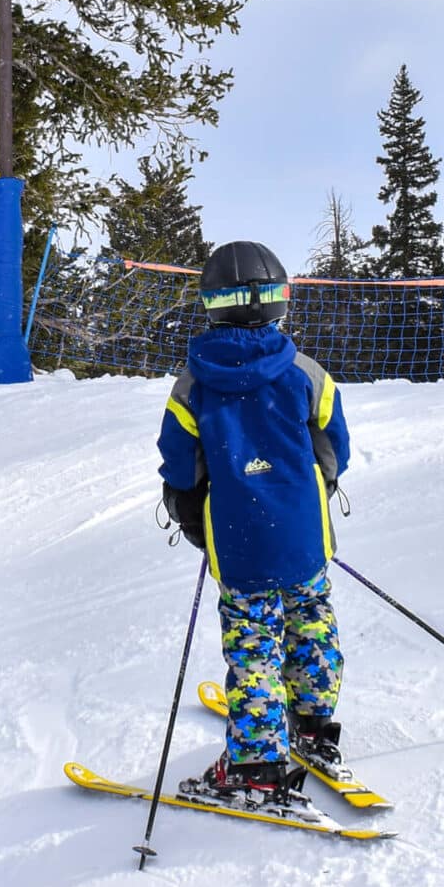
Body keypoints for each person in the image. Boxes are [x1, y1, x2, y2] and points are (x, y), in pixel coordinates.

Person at [156, 241, 351, 803]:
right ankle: (313, 725)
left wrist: (190, 517)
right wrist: (317, 495)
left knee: (254, 641)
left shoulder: (192, 388)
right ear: (277, 302)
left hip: (239, 548)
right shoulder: (307, 376)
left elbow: (180, 470)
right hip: (304, 538)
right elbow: (333, 448)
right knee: (310, 617)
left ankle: (256, 762)